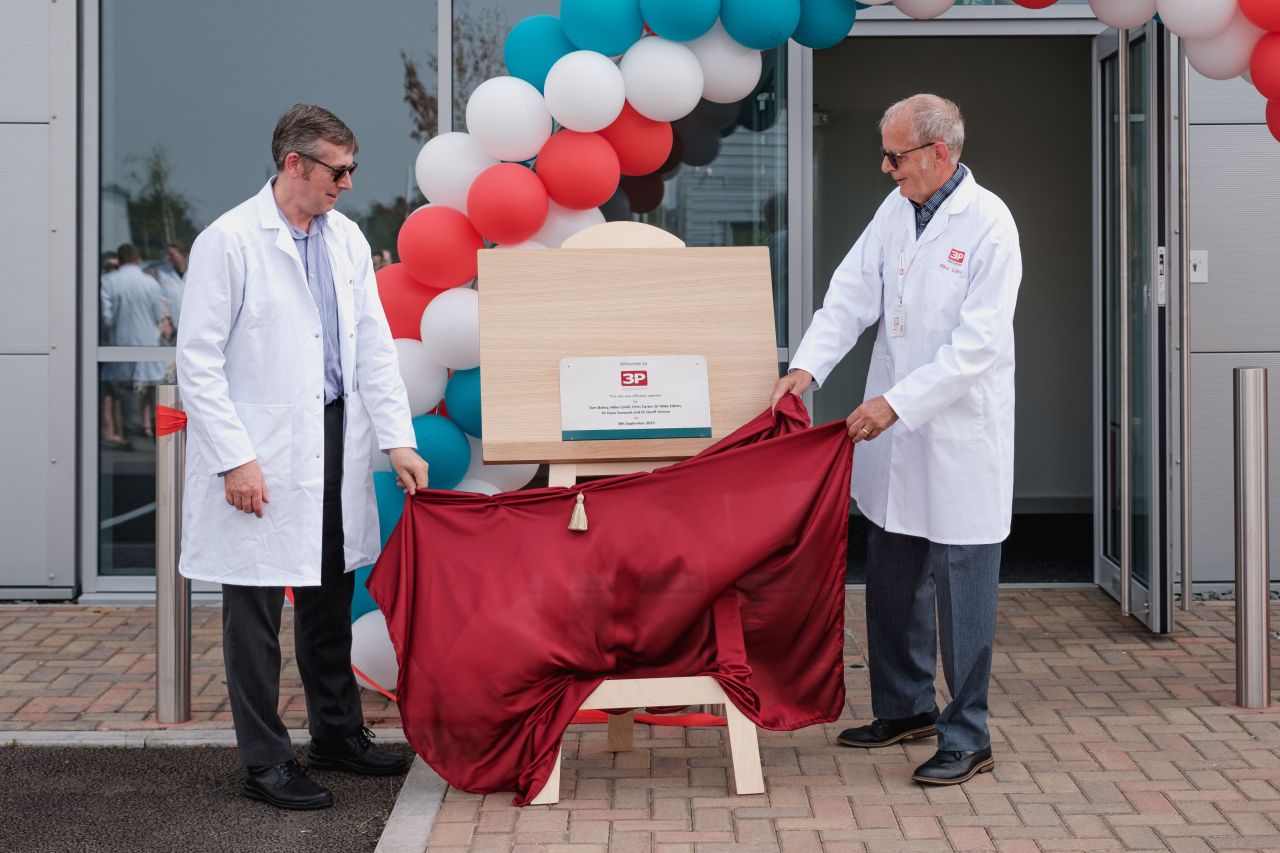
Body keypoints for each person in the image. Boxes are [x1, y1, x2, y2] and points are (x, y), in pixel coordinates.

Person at [177, 104, 431, 811]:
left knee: (328, 596)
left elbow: (373, 347)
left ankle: (336, 734)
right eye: (338, 170)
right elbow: (196, 363)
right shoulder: (228, 241)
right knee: (254, 610)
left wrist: (397, 437)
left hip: (332, 438)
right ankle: (265, 762)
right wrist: (234, 459)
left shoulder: (345, 239)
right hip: (260, 451)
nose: (348, 183)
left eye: (353, 169)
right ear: (295, 164)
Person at [771, 94, 1021, 786]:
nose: (886, 167)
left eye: (897, 155)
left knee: (963, 586)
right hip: (895, 431)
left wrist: (896, 404)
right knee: (891, 571)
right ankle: (905, 706)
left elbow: (977, 347)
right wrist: (807, 366)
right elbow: (851, 292)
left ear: (941, 152)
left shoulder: (991, 225)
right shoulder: (897, 211)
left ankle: (968, 734)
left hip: (958, 432)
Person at [100, 243, 170, 444]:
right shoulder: (150, 283)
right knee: (153, 391)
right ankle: (160, 437)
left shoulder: (108, 282)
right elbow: (158, 315)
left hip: (120, 344)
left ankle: (129, 436)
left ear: (119, 260)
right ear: (137, 259)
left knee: (124, 393)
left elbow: (107, 318)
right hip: (148, 344)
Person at [154, 241, 189, 338]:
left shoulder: (195, 272)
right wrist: (166, 321)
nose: (168, 258)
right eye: (167, 254)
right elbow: (161, 300)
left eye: (172, 255)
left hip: (192, 326)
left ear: (183, 254)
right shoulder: (162, 273)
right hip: (170, 328)